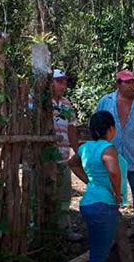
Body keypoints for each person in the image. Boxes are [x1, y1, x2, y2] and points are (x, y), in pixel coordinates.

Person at [69, 111, 128, 262]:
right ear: (110, 129)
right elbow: (113, 170)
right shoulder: (107, 148)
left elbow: (72, 163)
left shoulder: (86, 148)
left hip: (88, 203)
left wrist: (90, 182)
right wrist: (117, 192)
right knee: (98, 257)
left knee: (98, 252)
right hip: (103, 206)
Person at [95, 70, 134, 240]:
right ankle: (110, 226)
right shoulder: (105, 102)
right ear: (118, 84)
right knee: (109, 191)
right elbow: (95, 126)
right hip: (111, 157)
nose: (131, 85)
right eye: (127, 82)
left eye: (133, 82)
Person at [51, 69, 82, 241]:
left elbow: (71, 129)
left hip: (63, 157)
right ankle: (36, 230)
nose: (63, 85)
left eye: (64, 82)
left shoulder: (66, 104)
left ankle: (64, 229)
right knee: (39, 193)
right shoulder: (38, 102)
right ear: (50, 82)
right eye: (59, 81)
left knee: (64, 196)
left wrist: (78, 152)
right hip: (43, 159)